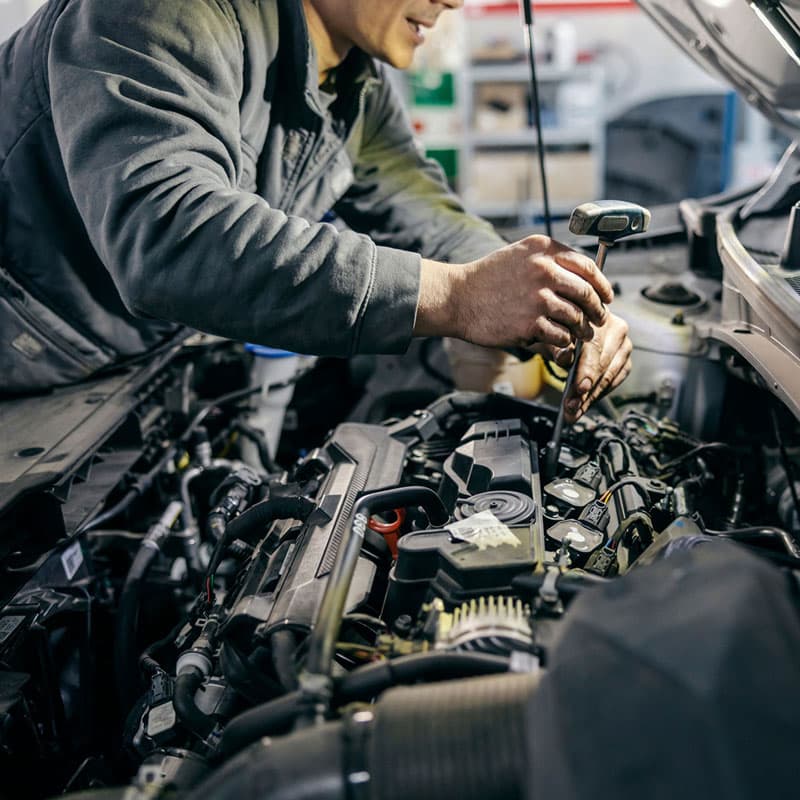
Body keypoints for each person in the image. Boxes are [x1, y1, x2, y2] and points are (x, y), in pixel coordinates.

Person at [0, 0, 631, 421]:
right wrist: (458, 296)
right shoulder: (159, 10)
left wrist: (550, 301)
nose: (454, 0)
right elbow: (168, 234)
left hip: (127, 363)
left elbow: (419, 205)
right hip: (22, 369)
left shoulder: (353, 81)